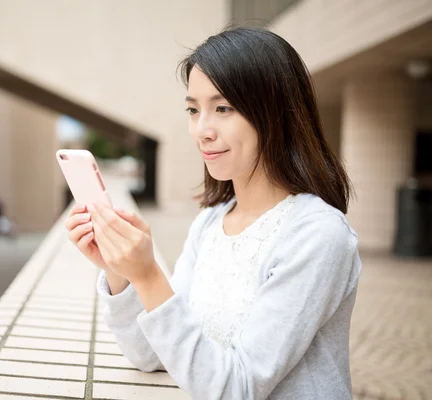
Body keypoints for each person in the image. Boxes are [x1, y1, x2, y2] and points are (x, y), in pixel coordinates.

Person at [65, 26, 361, 400]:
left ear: (275, 114)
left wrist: (150, 273)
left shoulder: (317, 235)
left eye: (223, 109)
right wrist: (120, 271)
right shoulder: (210, 222)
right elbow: (151, 354)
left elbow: (237, 388)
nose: (201, 130)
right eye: (193, 109)